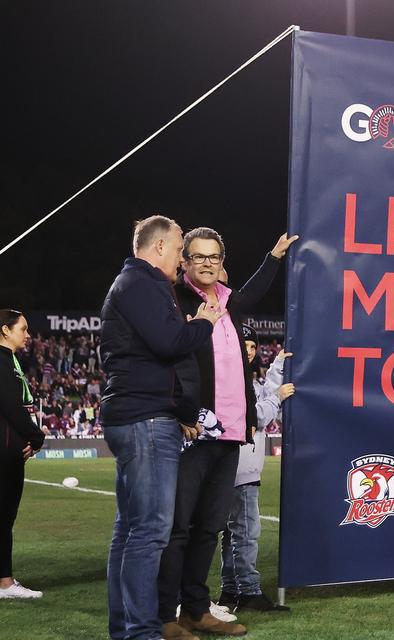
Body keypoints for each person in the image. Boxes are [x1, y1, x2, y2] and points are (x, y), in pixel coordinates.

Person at [158, 228, 295, 638]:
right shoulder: (173, 300)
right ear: (184, 260)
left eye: (214, 257)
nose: (206, 263)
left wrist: (273, 256)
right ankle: (165, 613)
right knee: (179, 527)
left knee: (209, 527)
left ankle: (197, 610)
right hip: (193, 433)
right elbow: (167, 360)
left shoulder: (229, 302)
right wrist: (181, 409)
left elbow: (252, 293)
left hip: (233, 434)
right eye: (198, 256)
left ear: (222, 262)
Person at [100, 216, 223, 640]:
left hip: (137, 416)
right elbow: (170, 344)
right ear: (158, 248)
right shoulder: (142, 284)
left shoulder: (137, 285)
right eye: (177, 250)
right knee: (149, 531)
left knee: (131, 530)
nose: (180, 260)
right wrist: (203, 323)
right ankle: (139, 631)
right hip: (145, 419)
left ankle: (126, 628)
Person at [220, 331, 293, 612]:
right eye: (244, 345)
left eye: (253, 346)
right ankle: (248, 591)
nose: (249, 350)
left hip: (236, 468)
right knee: (246, 533)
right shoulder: (231, 379)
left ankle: (229, 591)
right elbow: (255, 414)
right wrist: (276, 398)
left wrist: (279, 364)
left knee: (232, 534)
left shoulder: (245, 379)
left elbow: (263, 393)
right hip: (239, 469)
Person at [0, 310, 46, 599]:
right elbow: (11, 407)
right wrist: (36, 436)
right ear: (5, 330)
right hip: (5, 452)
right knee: (4, 516)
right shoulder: (3, 362)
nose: (27, 335)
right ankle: (5, 583)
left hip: (9, 447)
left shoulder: (10, 362)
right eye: (23, 329)